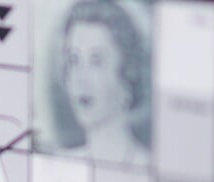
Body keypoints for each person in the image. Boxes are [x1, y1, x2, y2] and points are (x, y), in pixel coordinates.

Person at [57, 0, 150, 165]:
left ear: (128, 73)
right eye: (74, 60)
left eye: (96, 61)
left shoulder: (146, 164)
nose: (81, 79)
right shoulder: (61, 164)